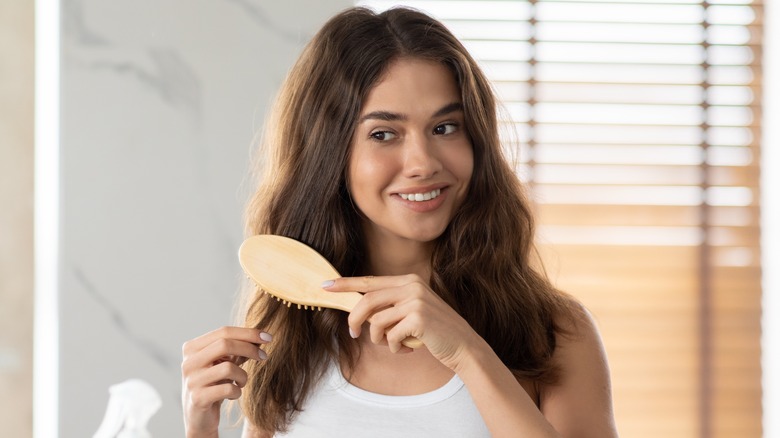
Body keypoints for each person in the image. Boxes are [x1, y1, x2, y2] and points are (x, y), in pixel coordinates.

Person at [181, 6, 619, 438]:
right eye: (383, 134)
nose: (422, 163)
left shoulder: (556, 331)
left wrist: (468, 352)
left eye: (446, 127)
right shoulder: (290, 336)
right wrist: (201, 430)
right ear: (329, 153)